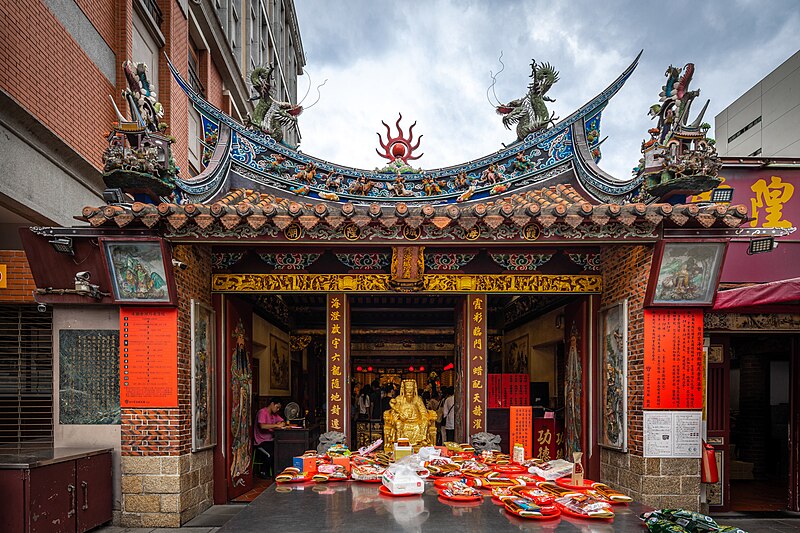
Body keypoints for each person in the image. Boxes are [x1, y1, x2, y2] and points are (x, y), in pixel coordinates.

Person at [254, 398, 286, 478]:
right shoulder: (262, 412)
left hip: (270, 440)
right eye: (277, 407)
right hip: (261, 441)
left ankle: (277, 472)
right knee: (271, 454)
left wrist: (281, 423)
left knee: (280, 450)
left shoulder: (274, 414)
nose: (277, 409)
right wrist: (276, 425)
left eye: (279, 408)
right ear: (272, 404)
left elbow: (282, 421)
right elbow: (262, 426)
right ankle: (263, 472)